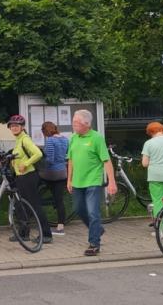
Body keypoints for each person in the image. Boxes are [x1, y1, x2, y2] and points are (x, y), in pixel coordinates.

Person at [67, 109, 117, 257]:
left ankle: (94, 243)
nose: (73, 125)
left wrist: (111, 182)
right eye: (73, 122)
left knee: (93, 212)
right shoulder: (73, 138)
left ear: (86, 124)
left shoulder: (96, 138)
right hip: (77, 181)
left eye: (76, 122)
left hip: (93, 181)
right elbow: (70, 160)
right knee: (78, 209)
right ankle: (97, 229)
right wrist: (69, 179)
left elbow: (106, 161)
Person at [7, 115, 53, 244]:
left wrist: (25, 164)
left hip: (29, 177)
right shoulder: (18, 139)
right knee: (20, 205)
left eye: (17, 126)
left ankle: (46, 234)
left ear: (22, 127)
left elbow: (37, 153)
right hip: (21, 177)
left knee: (34, 205)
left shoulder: (25, 139)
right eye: (12, 126)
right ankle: (23, 233)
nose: (14, 128)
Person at [40, 121, 69, 236]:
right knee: (59, 200)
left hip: (52, 173)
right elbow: (67, 155)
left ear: (45, 131)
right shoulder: (65, 139)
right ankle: (60, 227)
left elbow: (49, 160)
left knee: (36, 183)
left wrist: (40, 163)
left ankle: (35, 209)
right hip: (62, 172)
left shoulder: (50, 141)